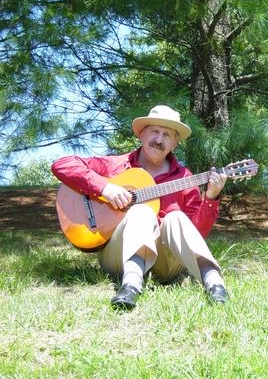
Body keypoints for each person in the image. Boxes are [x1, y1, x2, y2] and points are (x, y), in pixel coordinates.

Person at [51, 105, 228, 310]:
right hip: (118, 257)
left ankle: (215, 284)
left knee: (176, 218)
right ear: (142, 134)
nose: (159, 140)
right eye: (154, 131)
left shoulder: (184, 178)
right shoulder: (116, 165)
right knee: (142, 210)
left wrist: (211, 196)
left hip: (166, 265)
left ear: (174, 144)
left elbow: (196, 233)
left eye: (167, 135)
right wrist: (105, 188)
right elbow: (62, 164)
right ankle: (130, 286)